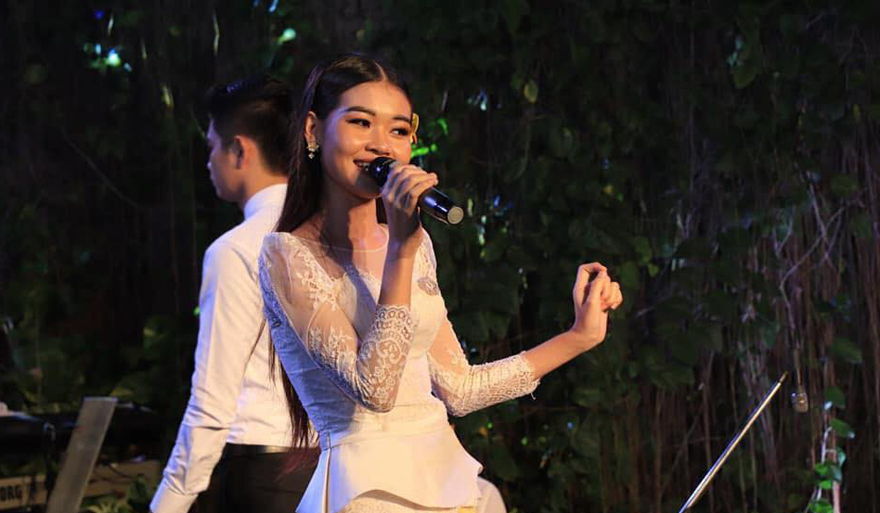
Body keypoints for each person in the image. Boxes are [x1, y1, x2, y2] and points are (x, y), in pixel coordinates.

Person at [258, 54, 623, 513]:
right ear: (313, 130)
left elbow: (460, 388)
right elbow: (375, 389)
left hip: (443, 481)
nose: (381, 145)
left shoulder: (414, 242)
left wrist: (579, 336)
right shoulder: (287, 254)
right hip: (368, 494)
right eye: (361, 123)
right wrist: (401, 250)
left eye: (398, 131)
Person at [152, 74, 316, 513]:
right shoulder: (332, 236)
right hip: (331, 471)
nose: (208, 162)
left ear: (240, 151)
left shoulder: (236, 250)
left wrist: (166, 504)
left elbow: (211, 404)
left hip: (263, 475)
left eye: (211, 147)